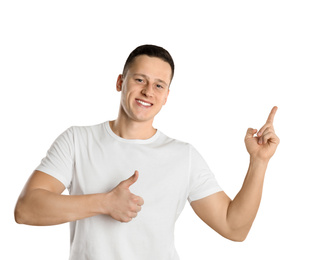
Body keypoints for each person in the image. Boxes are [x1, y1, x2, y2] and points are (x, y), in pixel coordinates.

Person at [14, 44, 280, 259]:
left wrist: (258, 162)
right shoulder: (77, 140)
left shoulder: (183, 156)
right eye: (139, 79)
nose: (147, 91)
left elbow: (234, 227)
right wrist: (104, 203)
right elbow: (26, 209)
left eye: (159, 85)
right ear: (120, 82)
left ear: (166, 96)